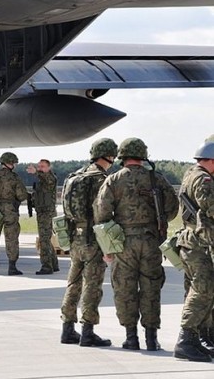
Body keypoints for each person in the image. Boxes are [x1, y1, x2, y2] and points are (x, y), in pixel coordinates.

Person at [94, 137, 178, 351]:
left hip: (123, 242)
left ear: (122, 156)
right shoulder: (156, 179)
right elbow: (172, 207)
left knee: (124, 288)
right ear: (143, 155)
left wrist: (108, 248)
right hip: (151, 241)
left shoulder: (113, 180)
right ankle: (151, 338)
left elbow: (102, 214)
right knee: (151, 287)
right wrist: (158, 221)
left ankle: (131, 337)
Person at [59, 138, 117, 347]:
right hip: (94, 239)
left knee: (73, 283)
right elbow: (103, 212)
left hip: (76, 236)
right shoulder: (101, 179)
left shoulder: (76, 176)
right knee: (92, 285)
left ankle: (67, 329)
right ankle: (87, 331)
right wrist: (108, 244)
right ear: (109, 155)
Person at [173, 140, 214, 362]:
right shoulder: (203, 179)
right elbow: (211, 206)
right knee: (203, 289)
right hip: (198, 243)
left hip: (191, 241)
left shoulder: (191, 173)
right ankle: (186, 339)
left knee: (199, 290)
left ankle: (196, 338)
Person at [26, 159, 59, 275]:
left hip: (47, 213)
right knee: (46, 238)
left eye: (43, 166)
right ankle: (54, 264)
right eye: (39, 167)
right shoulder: (41, 181)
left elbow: (47, 179)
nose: (41, 168)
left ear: (49, 168)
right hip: (42, 212)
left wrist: (36, 172)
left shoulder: (50, 178)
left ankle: (46, 266)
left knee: (44, 240)